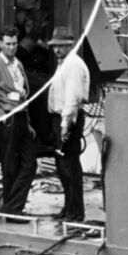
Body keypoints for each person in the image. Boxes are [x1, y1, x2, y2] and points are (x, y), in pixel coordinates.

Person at [0, 36, 33, 214]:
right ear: (0, 44)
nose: (11, 47)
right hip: (8, 119)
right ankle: (13, 210)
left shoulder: (18, 64)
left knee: (30, 164)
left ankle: (11, 207)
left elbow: (23, 96)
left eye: (14, 44)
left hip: (22, 117)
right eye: (8, 44)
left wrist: (28, 123)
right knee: (10, 165)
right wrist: (0, 115)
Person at [47, 39, 94, 223]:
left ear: (70, 46)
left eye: (61, 46)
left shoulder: (73, 65)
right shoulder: (64, 64)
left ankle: (75, 212)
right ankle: (69, 208)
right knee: (63, 166)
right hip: (60, 117)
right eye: (55, 46)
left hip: (67, 119)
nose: (57, 50)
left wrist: (65, 124)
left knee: (69, 166)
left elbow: (73, 98)